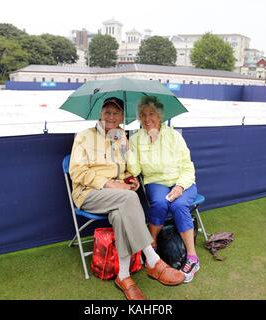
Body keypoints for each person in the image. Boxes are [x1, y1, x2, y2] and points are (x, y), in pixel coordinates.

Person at [69, 96, 185, 300]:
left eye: (116, 113)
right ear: (100, 114)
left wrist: (131, 180)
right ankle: (152, 259)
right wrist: (109, 183)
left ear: (122, 116)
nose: (111, 116)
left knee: (121, 211)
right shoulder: (84, 136)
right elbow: (76, 172)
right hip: (88, 192)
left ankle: (123, 276)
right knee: (129, 198)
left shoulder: (121, 136)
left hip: (117, 196)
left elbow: (126, 170)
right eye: (107, 112)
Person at [127, 96, 200, 283]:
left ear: (160, 116)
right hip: (156, 182)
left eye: (151, 114)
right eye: (143, 115)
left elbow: (187, 166)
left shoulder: (174, 136)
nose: (147, 118)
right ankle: (152, 246)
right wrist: (125, 148)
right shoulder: (135, 139)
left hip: (183, 181)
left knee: (178, 205)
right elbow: (135, 170)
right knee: (159, 202)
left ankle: (192, 257)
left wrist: (180, 186)